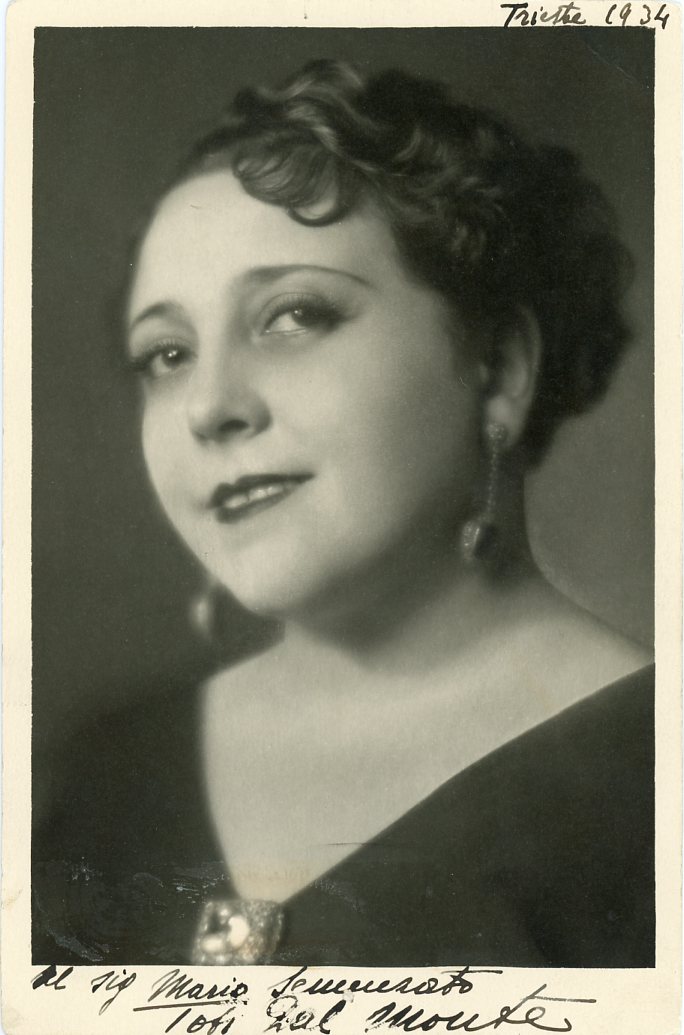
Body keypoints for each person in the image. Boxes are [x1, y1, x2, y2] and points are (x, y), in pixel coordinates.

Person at [32, 59, 654, 968]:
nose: (209, 407)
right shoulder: (105, 773)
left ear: (500, 368)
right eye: (166, 354)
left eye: (292, 315)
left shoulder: (649, 785)